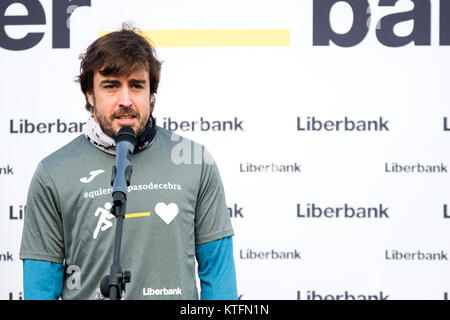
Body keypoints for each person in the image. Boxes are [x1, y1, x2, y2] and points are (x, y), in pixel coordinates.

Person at [19, 25, 237, 300]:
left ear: (151, 94)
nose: (125, 100)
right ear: (89, 94)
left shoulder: (195, 160)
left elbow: (219, 278)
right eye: (111, 86)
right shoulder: (53, 172)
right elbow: (39, 288)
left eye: (136, 85)